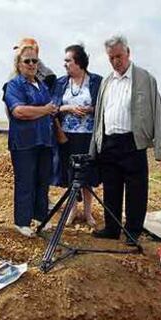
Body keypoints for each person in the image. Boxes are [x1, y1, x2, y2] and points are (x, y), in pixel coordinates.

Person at [90, 35, 161, 245]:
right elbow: (99, 117)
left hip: (133, 143)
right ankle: (112, 228)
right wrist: (95, 147)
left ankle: (133, 231)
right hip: (109, 143)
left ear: (128, 53)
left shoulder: (145, 78)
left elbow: (159, 112)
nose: (116, 61)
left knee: (136, 191)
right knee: (111, 189)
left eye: (119, 56)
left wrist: (159, 147)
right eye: (111, 58)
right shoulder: (107, 82)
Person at [4, 38, 58, 238]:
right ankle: (22, 221)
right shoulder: (13, 85)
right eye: (27, 61)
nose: (32, 65)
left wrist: (46, 111)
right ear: (18, 64)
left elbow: (48, 108)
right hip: (24, 142)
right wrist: (44, 110)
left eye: (35, 61)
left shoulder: (41, 85)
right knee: (25, 181)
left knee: (42, 180)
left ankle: (40, 216)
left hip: (43, 140)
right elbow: (18, 111)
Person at [52, 44, 102, 227]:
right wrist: (68, 108)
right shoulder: (60, 83)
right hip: (67, 137)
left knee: (87, 175)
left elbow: (104, 107)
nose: (64, 64)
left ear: (79, 62)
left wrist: (90, 109)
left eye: (68, 60)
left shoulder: (96, 81)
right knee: (70, 174)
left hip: (88, 137)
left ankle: (88, 213)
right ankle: (72, 211)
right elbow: (54, 107)